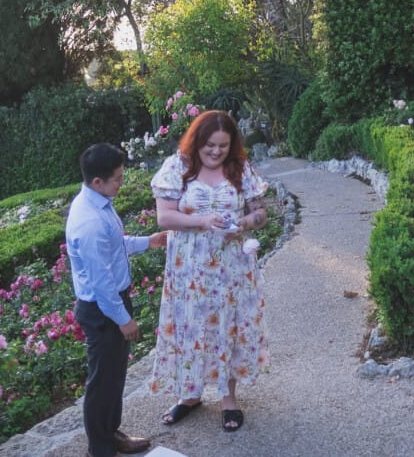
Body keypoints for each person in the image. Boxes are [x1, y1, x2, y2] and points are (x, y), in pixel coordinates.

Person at [148, 109, 270, 432]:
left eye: (223, 146)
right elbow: (164, 218)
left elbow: (260, 213)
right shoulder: (178, 167)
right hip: (189, 269)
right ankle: (190, 395)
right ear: (197, 141)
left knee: (228, 325)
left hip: (232, 269)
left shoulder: (240, 168)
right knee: (191, 325)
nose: (216, 152)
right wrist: (202, 221)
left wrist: (243, 223)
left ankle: (228, 398)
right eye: (210, 145)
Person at [66, 143, 167, 457]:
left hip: (109, 303)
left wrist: (147, 242)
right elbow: (101, 284)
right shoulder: (89, 222)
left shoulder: (98, 203)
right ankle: (100, 449)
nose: (122, 182)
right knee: (102, 383)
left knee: (113, 377)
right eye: (118, 179)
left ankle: (110, 435)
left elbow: (114, 245)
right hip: (102, 309)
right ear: (98, 181)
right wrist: (123, 319)